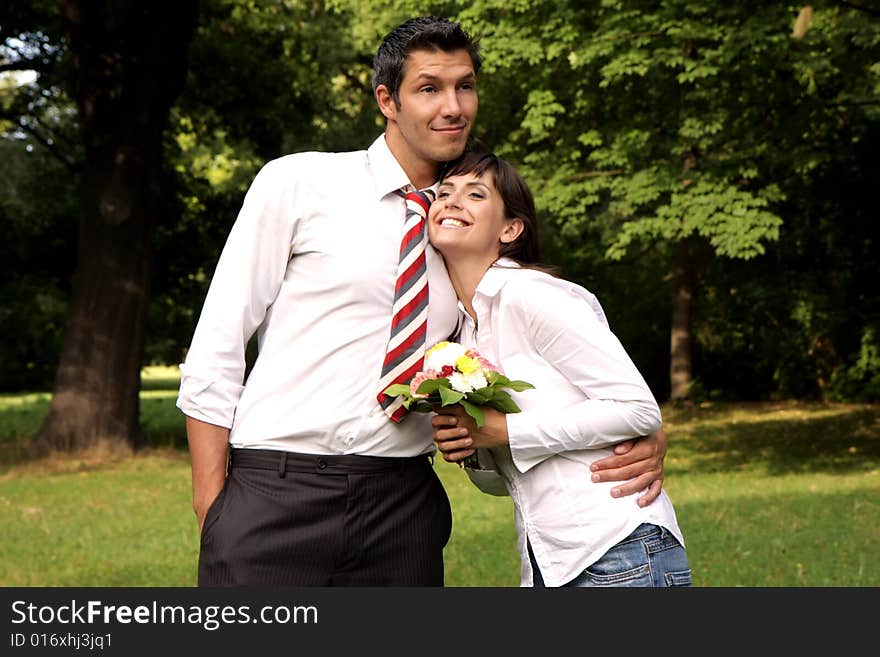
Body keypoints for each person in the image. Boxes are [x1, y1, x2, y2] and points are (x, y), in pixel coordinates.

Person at [176, 16, 667, 586]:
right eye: (430, 88)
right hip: (277, 490)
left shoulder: (468, 221)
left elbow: (532, 344)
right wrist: (214, 509)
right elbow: (218, 345)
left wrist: (636, 428)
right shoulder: (299, 183)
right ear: (387, 99)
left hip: (403, 503)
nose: (453, 107)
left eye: (466, 86)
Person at [428, 149, 691, 587]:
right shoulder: (466, 332)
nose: (452, 201)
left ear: (510, 229)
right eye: (446, 192)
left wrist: (504, 431)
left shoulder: (532, 296)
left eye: (475, 194)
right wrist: (471, 446)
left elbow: (638, 409)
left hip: (618, 551)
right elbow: (500, 483)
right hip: (551, 561)